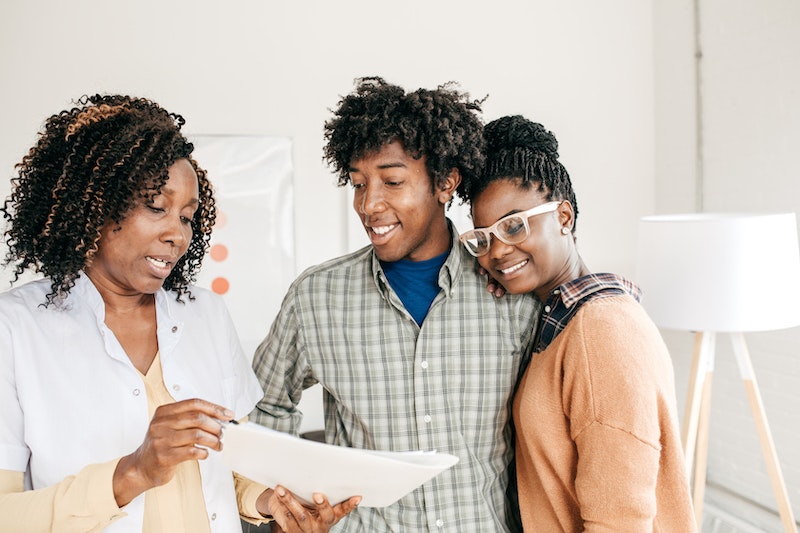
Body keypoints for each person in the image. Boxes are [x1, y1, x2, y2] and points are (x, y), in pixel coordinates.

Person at [0, 94, 358, 532]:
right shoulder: (15, 329)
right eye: (156, 207)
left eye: (188, 217)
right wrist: (133, 472)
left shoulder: (205, 315)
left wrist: (272, 503)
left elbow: (233, 469)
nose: (177, 234)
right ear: (93, 206)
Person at [249, 77, 540, 532]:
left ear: (445, 182)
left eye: (392, 181)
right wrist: (284, 499)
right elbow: (264, 409)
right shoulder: (316, 298)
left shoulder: (507, 294)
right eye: (358, 183)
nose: (369, 204)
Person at [456, 114, 697, 531]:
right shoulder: (562, 322)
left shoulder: (600, 330)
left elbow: (620, 518)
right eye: (484, 238)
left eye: (514, 226)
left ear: (564, 217)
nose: (496, 252)